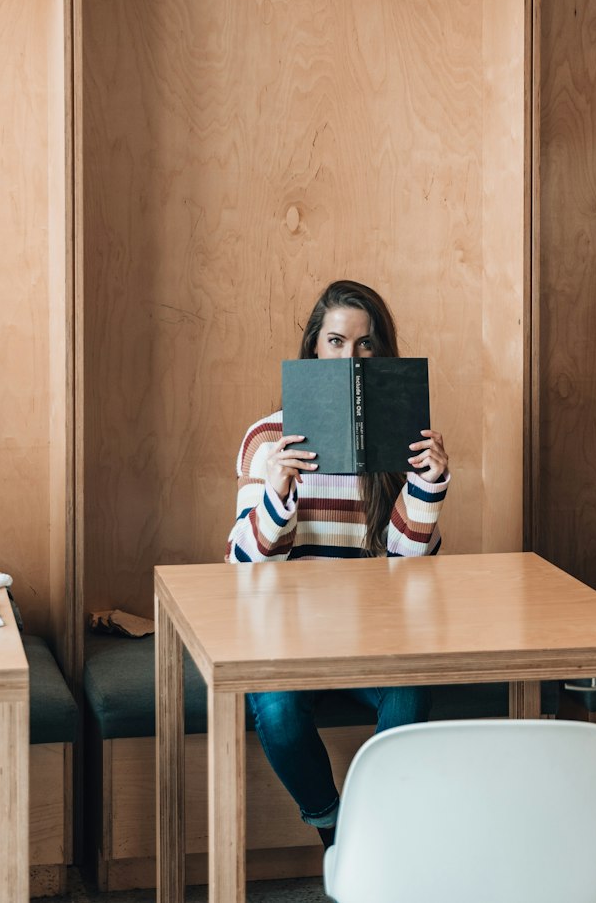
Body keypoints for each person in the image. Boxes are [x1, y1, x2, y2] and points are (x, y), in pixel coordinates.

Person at [225, 279, 449, 845]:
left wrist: (428, 486)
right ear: (313, 348)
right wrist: (277, 492)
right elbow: (242, 562)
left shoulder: (398, 432)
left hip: (373, 631)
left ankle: (376, 835)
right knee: (276, 711)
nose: (350, 358)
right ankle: (337, 835)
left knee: (412, 691)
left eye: (366, 345)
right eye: (335, 342)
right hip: (285, 634)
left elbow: (410, 563)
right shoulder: (267, 436)